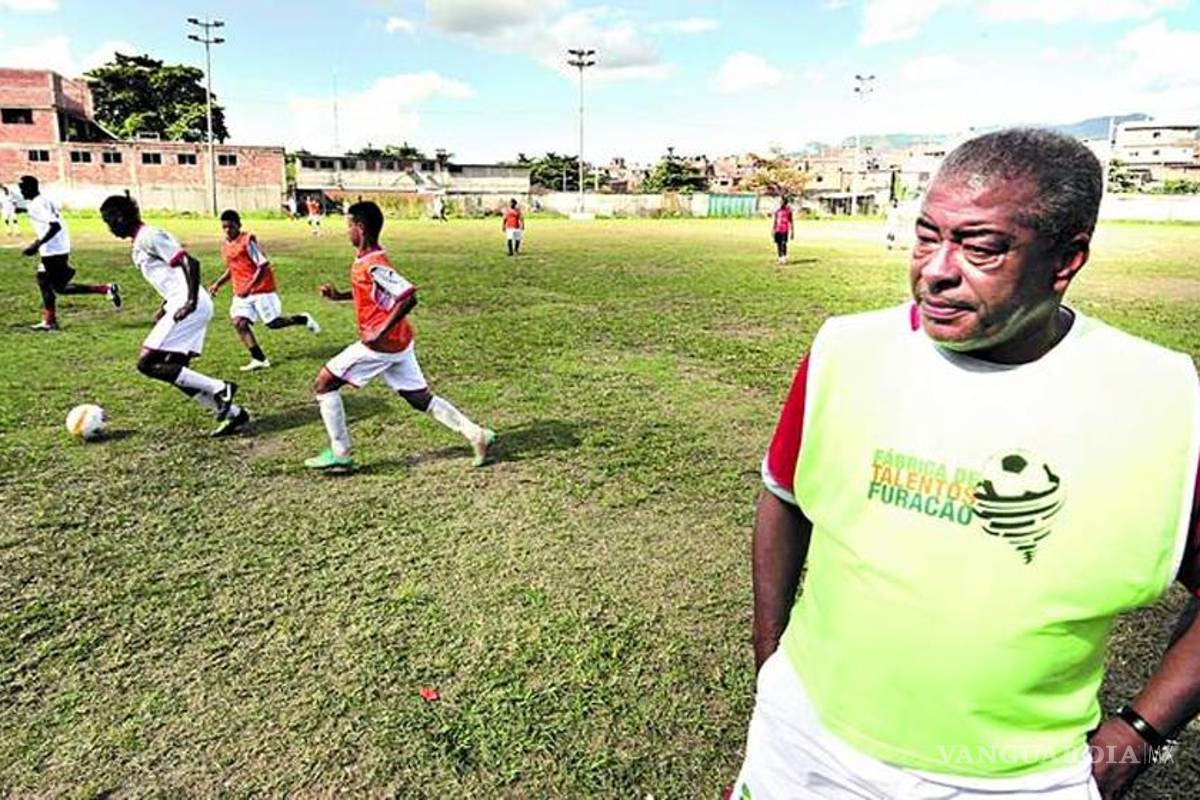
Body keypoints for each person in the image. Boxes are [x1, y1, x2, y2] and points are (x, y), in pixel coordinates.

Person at [734, 128, 1200, 800]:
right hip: (802, 745)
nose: (936, 269)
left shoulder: (1165, 399)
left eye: (979, 247)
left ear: (1065, 261)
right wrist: (770, 657)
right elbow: (784, 497)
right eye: (928, 236)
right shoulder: (846, 349)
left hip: (1013, 782)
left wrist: (1141, 732)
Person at [305, 200, 494, 471]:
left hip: (380, 345)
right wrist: (340, 296)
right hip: (400, 343)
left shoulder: (374, 262)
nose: (346, 231)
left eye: (348, 225)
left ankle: (341, 453)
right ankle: (477, 434)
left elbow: (408, 297)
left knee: (324, 384)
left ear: (360, 226)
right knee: (419, 398)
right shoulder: (366, 260)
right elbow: (374, 292)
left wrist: (380, 329)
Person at [99, 194, 251, 437]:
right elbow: (171, 276)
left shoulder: (149, 236)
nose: (110, 229)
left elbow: (191, 263)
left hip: (190, 303)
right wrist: (165, 303)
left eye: (109, 223)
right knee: (175, 371)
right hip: (181, 302)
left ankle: (221, 389)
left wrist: (189, 301)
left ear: (118, 218)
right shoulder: (140, 241)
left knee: (146, 363)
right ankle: (235, 414)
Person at [208, 209, 321, 371]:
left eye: (231, 227)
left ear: (238, 225)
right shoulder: (225, 246)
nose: (227, 230)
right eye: (224, 227)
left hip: (261, 289)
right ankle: (259, 358)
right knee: (239, 323)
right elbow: (233, 269)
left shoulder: (247, 241)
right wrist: (218, 283)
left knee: (273, 324)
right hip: (241, 292)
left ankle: (302, 319)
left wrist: (250, 285)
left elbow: (262, 264)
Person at [19, 176, 120, 331]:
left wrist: (36, 244)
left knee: (45, 282)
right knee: (57, 287)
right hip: (56, 249)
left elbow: (55, 226)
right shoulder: (41, 202)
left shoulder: (39, 204)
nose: (21, 191)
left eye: (22, 188)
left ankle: (50, 321)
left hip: (54, 250)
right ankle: (105, 289)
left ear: (30, 187)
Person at [772, 196, 794, 265]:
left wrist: (792, 232)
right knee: (778, 244)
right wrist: (773, 230)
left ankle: (784, 258)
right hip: (778, 230)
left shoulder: (788, 212)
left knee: (784, 244)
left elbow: (791, 222)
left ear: (786, 203)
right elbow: (775, 221)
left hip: (785, 230)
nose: (781, 203)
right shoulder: (777, 211)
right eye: (780, 202)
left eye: (783, 202)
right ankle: (780, 258)